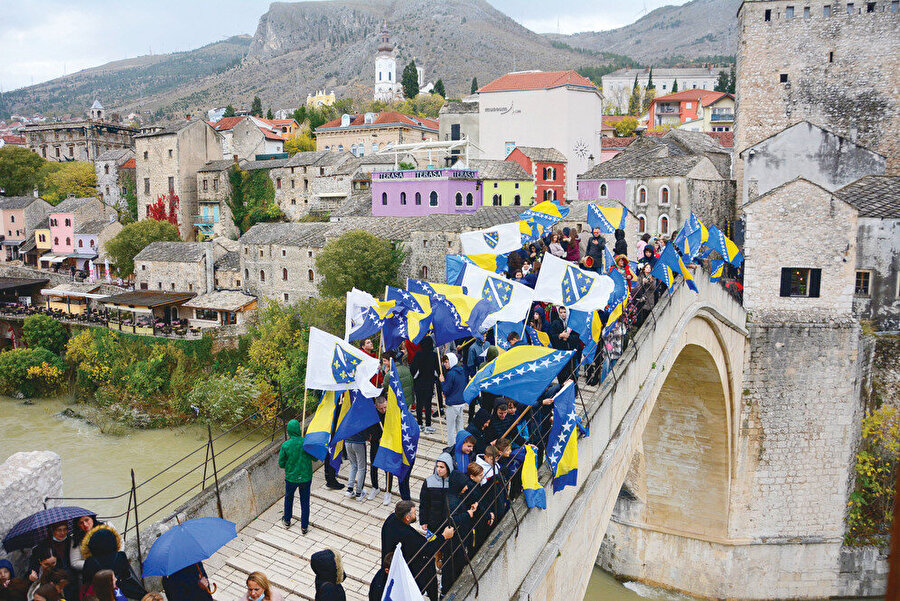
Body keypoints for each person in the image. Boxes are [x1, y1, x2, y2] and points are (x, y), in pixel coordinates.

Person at [380, 501, 453, 601]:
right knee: (427, 574)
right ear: (407, 517)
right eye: (414, 513)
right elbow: (426, 549)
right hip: (406, 568)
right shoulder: (406, 535)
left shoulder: (392, 519)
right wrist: (444, 536)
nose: (416, 514)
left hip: (393, 561)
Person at [80, 526, 145, 600]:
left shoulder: (90, 561)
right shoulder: (120, 555)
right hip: (124, 591)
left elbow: (86, 581)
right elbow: (127, 575)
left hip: (101, 593)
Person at [279, 419, 314, 533]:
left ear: (289, 431)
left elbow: (281, 463)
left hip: (291, 478)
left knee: (289, 498)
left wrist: (290, 467)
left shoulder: (285, 445)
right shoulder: (306, 443)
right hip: (306, 477)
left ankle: (287, 520)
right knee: (305, 501)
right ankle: (304, 526)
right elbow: (315, 458)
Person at [419, 454, 453, 537]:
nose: (438, 469)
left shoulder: (454, 481)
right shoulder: (429, 481)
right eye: (437, 466)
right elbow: (424, 503)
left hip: (449, 523)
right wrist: (423, 521)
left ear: (448, 467)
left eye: (442, 467)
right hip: (433, 522)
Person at [410, 337, 439, 434]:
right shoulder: (434, 355)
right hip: (429, 383)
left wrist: (416, 376)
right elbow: (437, 371)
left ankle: (419, 424)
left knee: (419, 403)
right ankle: (428, 425)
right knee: (428, 404)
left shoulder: (418, 354)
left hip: (419, 383)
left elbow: (413, 369)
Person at [439, 353, 466, 447]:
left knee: (450, 428)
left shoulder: (450, 374)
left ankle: (450, 447)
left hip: (453, 404)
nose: (445, 364)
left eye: (446, 362)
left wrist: (442, 382)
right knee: (460, 426)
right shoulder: (461, 371)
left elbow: (446, 389)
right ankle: (461, 444)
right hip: (461, 402)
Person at [344, 416, 369, 502]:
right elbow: (366, 433)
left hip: (347, 441)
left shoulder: (349, 413)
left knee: (353, 466)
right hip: (359, 443)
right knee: (362, 468)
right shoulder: (361, 415)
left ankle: (350, 489)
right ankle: (359, 492)